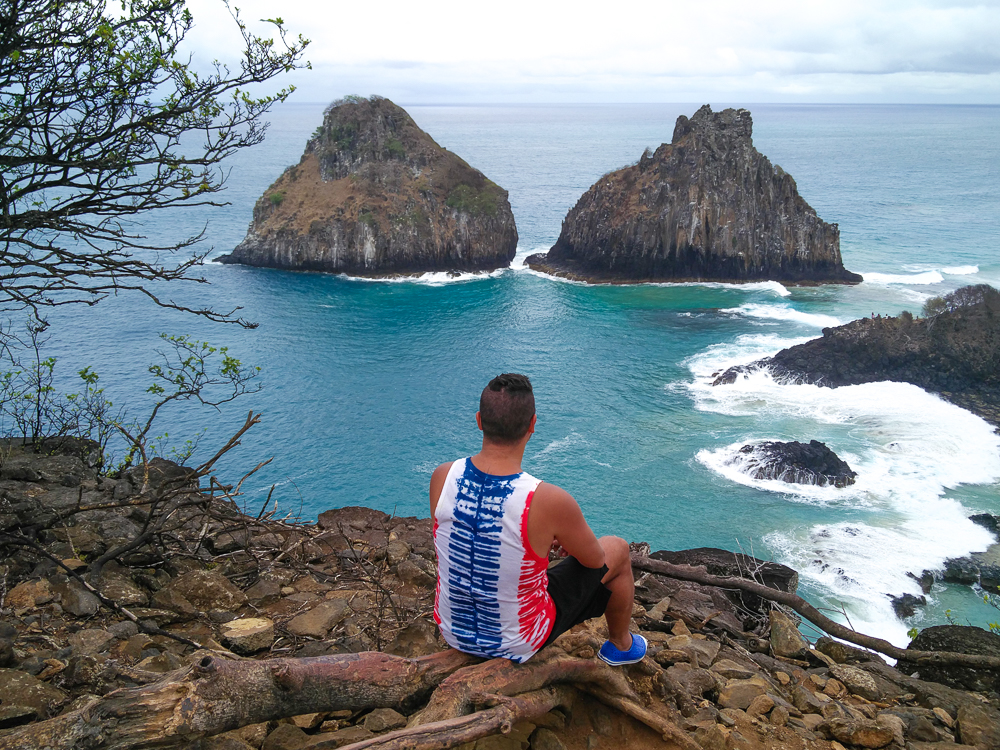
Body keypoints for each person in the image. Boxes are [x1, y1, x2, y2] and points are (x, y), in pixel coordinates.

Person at [429, 373, 646, 665]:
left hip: (454, 630)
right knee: (616, 548)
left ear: (479, 420)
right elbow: (596, 561)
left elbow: (467, 534)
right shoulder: (547, 500)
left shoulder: (443, 476)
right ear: (532, 424)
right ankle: (621, 645)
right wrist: (555, 537)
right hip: (518, 640)